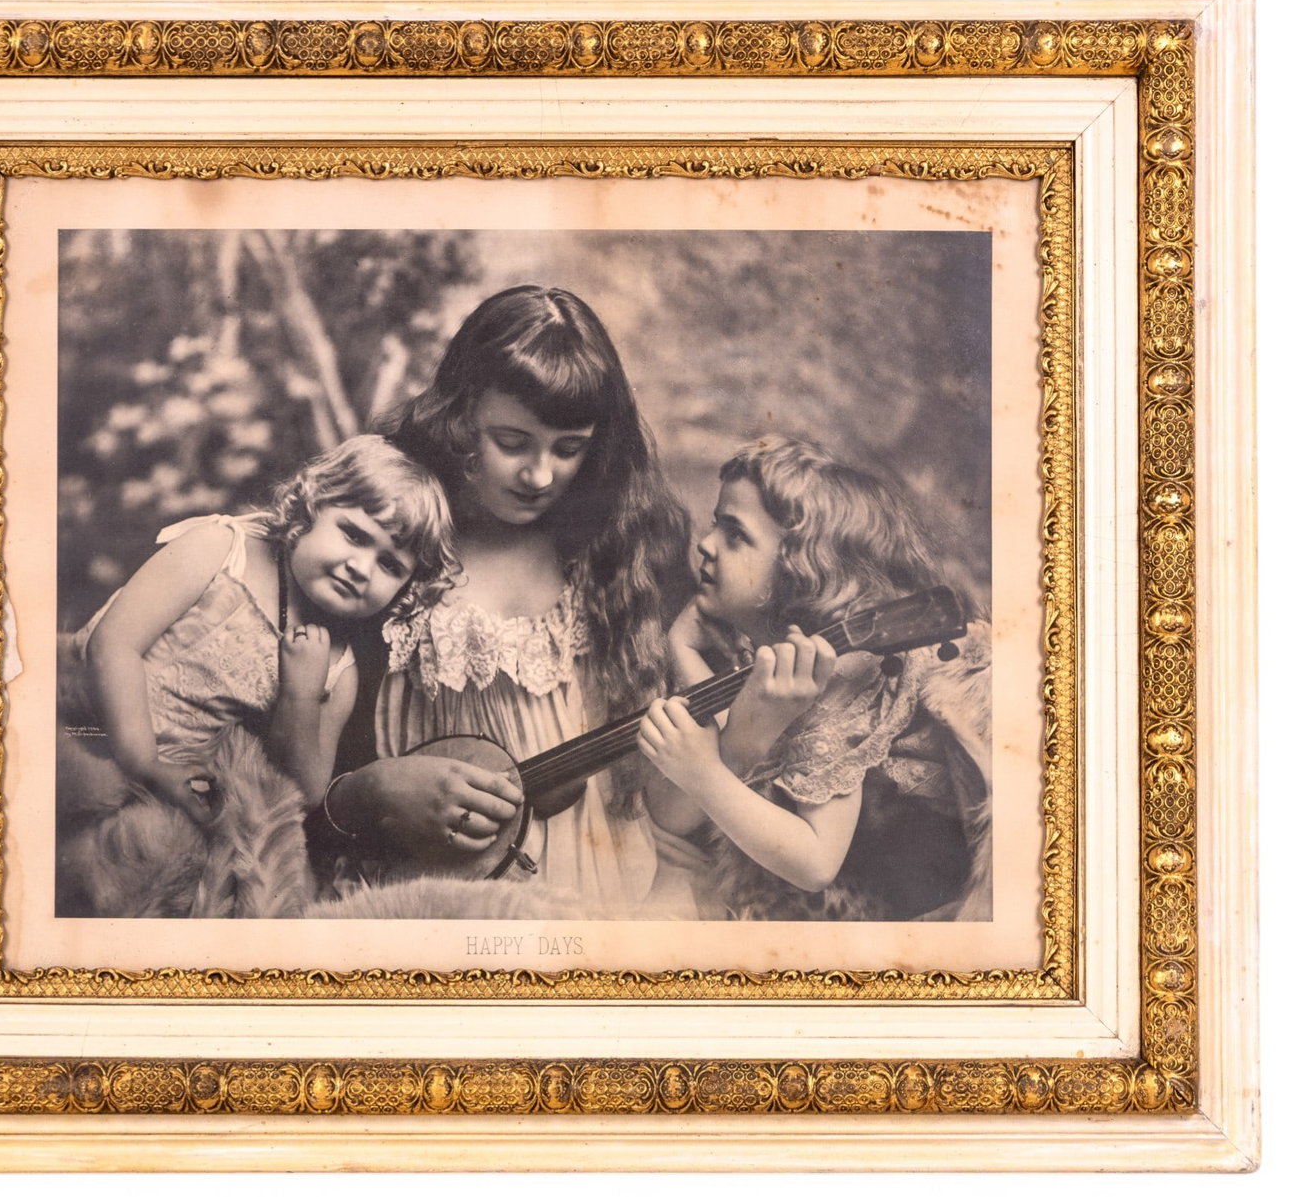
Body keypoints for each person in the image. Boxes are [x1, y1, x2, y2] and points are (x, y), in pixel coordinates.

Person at [320, 285, 694, 916]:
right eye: (512, 442)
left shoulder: (616, 546)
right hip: (422, 886)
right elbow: (291, 757)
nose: (540, 476)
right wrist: (372, 789)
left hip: (595, 878)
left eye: (567, 448)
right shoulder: (391, 534)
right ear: (461, 414)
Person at [54, 434, 457, 918]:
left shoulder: (338, 667)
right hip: (91, 720)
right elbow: (113, 644)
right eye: (353, 534)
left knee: (195, 873)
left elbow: (303, 791)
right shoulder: (223, 550)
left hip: (179, 783)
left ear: (405, 589)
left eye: (390, 565)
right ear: (312, 508)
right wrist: (146, 764)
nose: (361, 567)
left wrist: (300, 696)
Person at [637, 436, 992, 922]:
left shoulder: (843, 680)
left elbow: (814, 863)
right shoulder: (767, 648)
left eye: (735, 535)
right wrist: (683, 654)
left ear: (797, 571)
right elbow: (677, 809)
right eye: (716, 524)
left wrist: (705, 774)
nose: (705, 544)